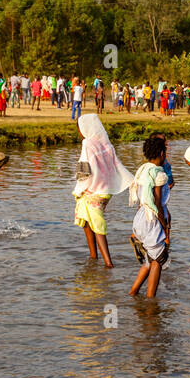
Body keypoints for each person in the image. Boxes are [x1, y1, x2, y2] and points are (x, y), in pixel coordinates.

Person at [74, 114, 135, 267]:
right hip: (105, 191)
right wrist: (132, 180)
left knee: (97, 225)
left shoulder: (87, 143)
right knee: (87, 220)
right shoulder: (106, 143)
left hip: (92, 190)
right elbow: (117, 165)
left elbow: (84, 168)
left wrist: (80, 188)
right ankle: (93, 257)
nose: (80, 132)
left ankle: (108, 263)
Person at [129, 135, 171, 298]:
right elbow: (158, 203)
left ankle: (133, 292)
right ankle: (151, 300)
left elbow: (145, 199)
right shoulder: (159, 174)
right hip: (152, 220)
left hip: (140, 219)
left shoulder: (143, 170)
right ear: (161, 153)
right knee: (158, 261)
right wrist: (164, 223)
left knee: (150, 260)